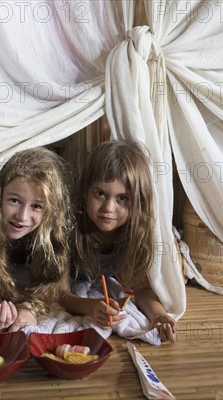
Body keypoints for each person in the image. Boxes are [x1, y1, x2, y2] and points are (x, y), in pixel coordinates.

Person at [59, 140, 178, 343]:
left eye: (122, 198)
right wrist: (91, 307)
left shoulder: (134, 233)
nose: (108, 208)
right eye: (100, 194)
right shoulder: (68, 228)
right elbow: (59, 294)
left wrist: (158, 316)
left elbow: (143, 289)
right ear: (86, 191)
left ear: (138, 200)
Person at [0, 147, 73, 332]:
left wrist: (29, 308)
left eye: (37, 206)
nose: (23, 216)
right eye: (14, 200)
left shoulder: (50, 237)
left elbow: (54, 288)